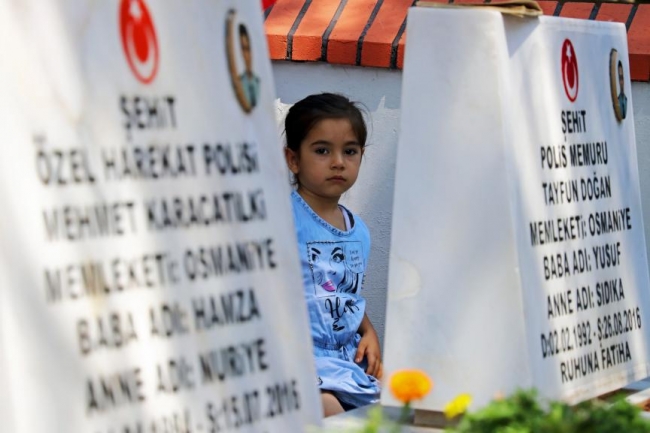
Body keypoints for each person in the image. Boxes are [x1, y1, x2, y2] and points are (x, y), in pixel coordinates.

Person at [284, 93, 382, 417]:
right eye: (322, 150)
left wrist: (367, 330)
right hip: (300, 360)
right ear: (293, 159)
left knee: (406, 401)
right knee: (329, 410)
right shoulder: (283, 219)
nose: (338, 161)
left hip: (348, 359)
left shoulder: (359, 231)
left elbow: (344, 293)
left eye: (349, 151)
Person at [238, 24, 260, 109]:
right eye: (242, 49)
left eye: (247, 49)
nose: (245, 55)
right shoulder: (239, 82)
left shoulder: (257, 80)